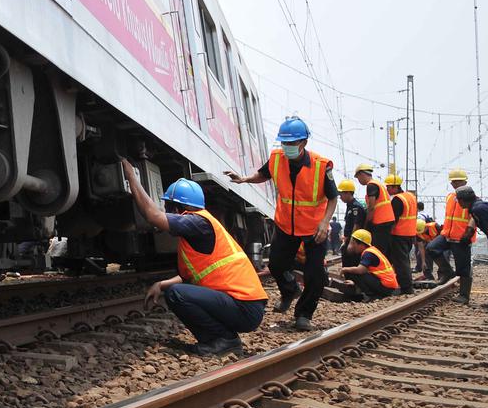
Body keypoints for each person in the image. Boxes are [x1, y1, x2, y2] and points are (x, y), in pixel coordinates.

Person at [122, 159, 267, 356]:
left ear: (179, 208)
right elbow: (189, 276)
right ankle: (222, 339)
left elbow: (152, 216)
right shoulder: (198, 229)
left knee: (177, 294)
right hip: (244, 306)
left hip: (244, 307)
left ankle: (222, 340)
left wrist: (131, 177)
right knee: (175, 290)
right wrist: (162, 284)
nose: (167, 211)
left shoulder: (198, 222)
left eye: (169, 206)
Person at [224, 116, 338, 331]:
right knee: (276, 264)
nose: (286, 147)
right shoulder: (277, 158)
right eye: (284, 143)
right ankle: (289, 290)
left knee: (315, 275)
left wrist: (325, 223)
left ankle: (304, 314)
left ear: (303, 143)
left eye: (291, 143)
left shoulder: (322, 166)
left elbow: (333, 197)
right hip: (286, 225)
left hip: (314, 230)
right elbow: (263, 174)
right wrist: (245, 179)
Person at [425, 168, 475, 295]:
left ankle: (464, 295)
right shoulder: (450, 197)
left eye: (455, 181)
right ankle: (447, 272)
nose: (453, 184)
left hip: (461, 237)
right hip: (447, 234)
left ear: (463, 182)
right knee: (431, 248)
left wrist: (468, 233)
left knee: (463, 268)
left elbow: (474, 217)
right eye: (452, 182)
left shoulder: (471, 198)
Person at [338, 229, 400, 301]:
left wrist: (345, 269)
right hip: (388, 285)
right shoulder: (371, 250)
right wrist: (355, 283)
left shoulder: (368, 253)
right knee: (358, 273)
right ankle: (373, 294)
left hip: (386, 287)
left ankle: (373, 296)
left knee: (356, 273)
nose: (353, 246)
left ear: (360, 244)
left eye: (354, 243)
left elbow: (361, 270)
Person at [353, 164, 395, 260]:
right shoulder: (378, 184)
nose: (358, 180)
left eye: (358, 177)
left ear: (362, 174)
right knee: (384, 250)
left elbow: (371, 207)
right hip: (387, 220)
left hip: (381, 222)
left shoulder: (371, 186)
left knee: (378, 250)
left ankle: (378, 271)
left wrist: (367, 223)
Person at [384, 174, 416, 294]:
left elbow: (393, 219)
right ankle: (401, 284)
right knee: (403, 260)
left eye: (389, 187)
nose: (387, 190)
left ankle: (407, 288)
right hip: (410, 234)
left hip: (399, 233)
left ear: (395, 187)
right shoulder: (410, 196)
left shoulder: (397, 199)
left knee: (401, 262)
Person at [337, 179, 366, 268]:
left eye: (341, 194)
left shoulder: (356, 207)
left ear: (348, 193)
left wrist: (351, 243)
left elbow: (356, 225)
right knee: (347, 264)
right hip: (349, 240)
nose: (340, 197)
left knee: (351, 264)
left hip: (354, 242)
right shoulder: (350, 206)